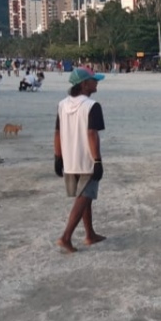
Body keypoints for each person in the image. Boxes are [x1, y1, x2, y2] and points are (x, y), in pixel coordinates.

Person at [53, 66, 107, 253]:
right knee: (84, 197)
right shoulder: (92, 106)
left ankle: (90, 234)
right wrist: (97, 160)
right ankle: (66, 237)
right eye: (93, 80)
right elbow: (92, 134)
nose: (97, 82)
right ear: (84, 84)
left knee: (85, 198)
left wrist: (58, 157)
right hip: (86, 159)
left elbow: (57, 133)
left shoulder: (62, 104)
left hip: (69, 158)